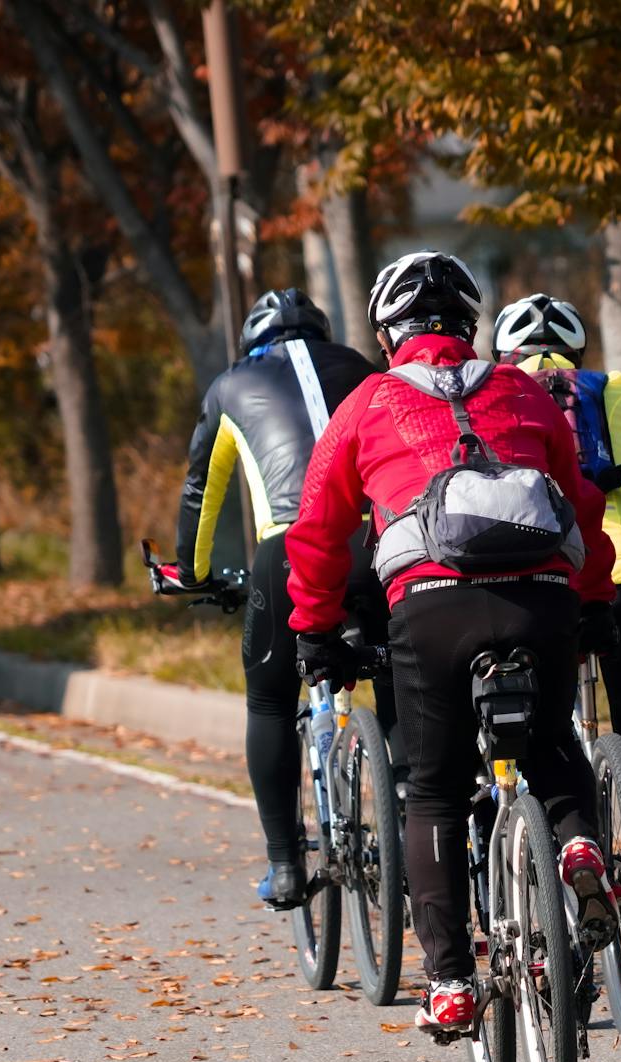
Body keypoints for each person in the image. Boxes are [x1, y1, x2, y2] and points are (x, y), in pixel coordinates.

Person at [283, 251, 620, 1035]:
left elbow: (318, 530)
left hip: (430, 605)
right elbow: (583, 501)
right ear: (469, 326)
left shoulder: (368, 402)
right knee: (552, 752)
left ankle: (449, 982)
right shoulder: (522, 389)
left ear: (385, 331)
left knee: (433, 786)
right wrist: (595, 602)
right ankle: (577, 848)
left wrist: (315, 629)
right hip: (541, 596)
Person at [493, 292, 621, 975]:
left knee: (533, 739)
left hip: (540, 575)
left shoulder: (498, 394)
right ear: (579, 350)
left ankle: (538, 894)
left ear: (505, 353)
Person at [171, 287, 387, 912]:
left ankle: (284, 864)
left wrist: (195, 571)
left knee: (269, 701)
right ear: (322, 335)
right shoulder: (362, 367)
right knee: (401, 674)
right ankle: (405, 809)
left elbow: (199, 491)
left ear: (251, 343)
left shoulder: (229, 387)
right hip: (377, 543)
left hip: (289, 549)